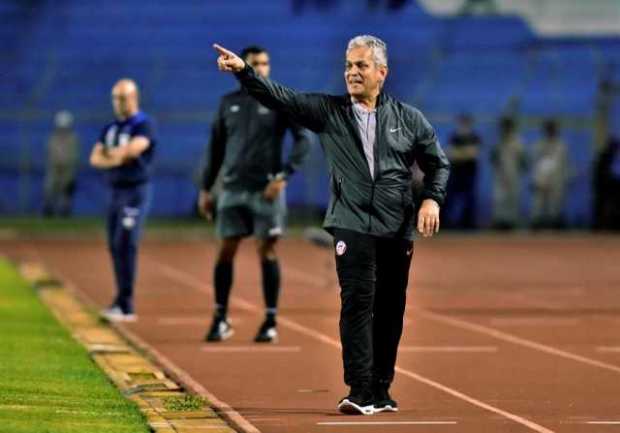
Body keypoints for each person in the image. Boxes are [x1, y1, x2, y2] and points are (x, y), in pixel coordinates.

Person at [212, 35, 450, 415]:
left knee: (390, 307)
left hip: (397, 226)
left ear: (382, 73)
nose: (352, 73)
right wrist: (245, 73)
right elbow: (282, 96)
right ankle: (359, 390)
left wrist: (431, 199)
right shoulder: (328, 112)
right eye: (348, 66)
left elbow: (439, 164)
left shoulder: (410, 119)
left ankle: (381, 388)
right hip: (351, 222)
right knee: (357, 302)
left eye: (361, 66)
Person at [198, 45, 312, 343]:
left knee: (267, 250)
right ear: (240, 67)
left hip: (266, 191)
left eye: (265, 63)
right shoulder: (227, 103)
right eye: (255, 63)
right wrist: (206, 189)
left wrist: (284, 176)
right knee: (225, 250)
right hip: (232, 189)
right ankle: (220, 317)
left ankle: (270, 321)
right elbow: (215, 150)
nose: (261, 68)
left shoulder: (279, 101)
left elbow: (303, 141)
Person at [89, 79, 156, 322]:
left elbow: (131, 151)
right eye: (116, 98)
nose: (119, 102)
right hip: (115, 192)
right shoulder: (110, 128)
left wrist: (114, 155)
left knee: (126, 243)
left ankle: (127, 304)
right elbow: (95, 158)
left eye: (123, 97)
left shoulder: (143, 124)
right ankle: (120, 300)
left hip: (135, 191)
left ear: (134, 97)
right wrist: (115, 157)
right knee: (115, 245)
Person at [444, 114, 480, 229]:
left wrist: (460, 153)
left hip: (469, 174)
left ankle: (468, 223)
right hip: (456, 174)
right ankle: (446, 222)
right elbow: (450, 153)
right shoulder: (454, 137)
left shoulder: (474, 137)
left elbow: (474, 153)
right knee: (450, 198)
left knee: (469, 199)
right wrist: (465, 153)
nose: (464, 126)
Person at [531, 119, 569, 229]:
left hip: (556, 179)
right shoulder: (539, 146)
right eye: (549, 129)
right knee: (538, 205)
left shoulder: (561, 146)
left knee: (555, 205)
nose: (551, 132)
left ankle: (554, 224)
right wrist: (535, 179)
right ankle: (537, 225)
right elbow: (535, 163)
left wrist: (566, 178)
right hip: (541, 179)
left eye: (553, 129)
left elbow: (565, 164)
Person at [491, 116, 527, 230]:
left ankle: (512, 224)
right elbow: (493, 157)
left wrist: (520, 169)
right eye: (504, 127)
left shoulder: (518, 142)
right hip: (500, 175)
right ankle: (499, 224)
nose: (506, 129)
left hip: (513, 174)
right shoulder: (498, 141)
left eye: (508, 126)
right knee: (499, 199)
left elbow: (524, 160)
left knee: (513, 199)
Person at [43, 110, 80, 217]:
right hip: (54, 167)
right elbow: (50, 153)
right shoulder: (53, 138)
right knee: (50, 188)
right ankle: (48, 210)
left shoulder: (73, 139)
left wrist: (70, 170)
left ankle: (65, 211)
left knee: (66, 190)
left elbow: (73, 156)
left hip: (67, 168)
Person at [593, 135, 620, 230]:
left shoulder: (609, 156)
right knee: (601, 207)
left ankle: (608, 226)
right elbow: (603, 174)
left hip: (608, 187)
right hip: (604, 187)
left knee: (607, 207)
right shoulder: (605, 156)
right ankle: (600, 227)